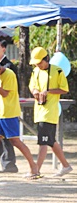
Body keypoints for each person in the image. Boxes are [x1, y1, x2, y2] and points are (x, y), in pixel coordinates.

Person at [0, 59, 40, 181]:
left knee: (15, 141)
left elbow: (4, 93)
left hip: (9, 113)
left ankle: (33, 167)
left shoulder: (9, 74)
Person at [28, 47, 73, 177]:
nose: (37, 65)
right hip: (39, 110)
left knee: (43, 142)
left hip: (50, 112)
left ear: (46, 59)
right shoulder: (35, 71)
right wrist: (35, 91)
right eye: (36, 63)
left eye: (39, 62)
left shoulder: (57, 71)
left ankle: (36, 170)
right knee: (50, 141)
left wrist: (49, 91)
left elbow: (64, 89)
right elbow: (32, 86)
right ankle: (66, 166)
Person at [0, 38, 19, 173]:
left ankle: (9, 164)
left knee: (8, 139)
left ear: (4, 49)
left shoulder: (8, 67)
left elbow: (7, 91)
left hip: (6, 109)